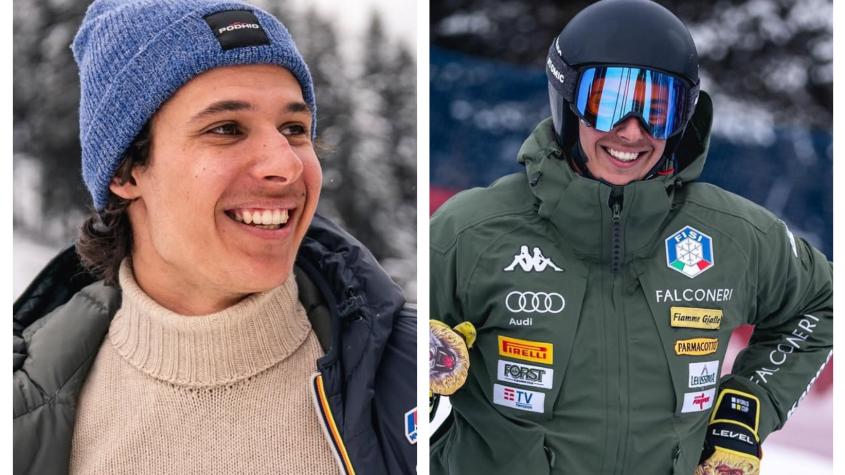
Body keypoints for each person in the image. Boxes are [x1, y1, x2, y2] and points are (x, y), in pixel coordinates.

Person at [12, 1, 416, 474]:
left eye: (294, 129)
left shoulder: (413, 375)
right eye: (226, 129)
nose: (285, 163)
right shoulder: (22, 412)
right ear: (126, 170)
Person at [428, 1, 832, 474]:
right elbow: (387, 350)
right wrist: (423, 363)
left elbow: (820, 301)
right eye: (611, 103)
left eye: (656, 111)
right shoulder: (471, 231)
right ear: (568, 99)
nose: (632, 131)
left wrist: (744, 411)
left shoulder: (734, 235)